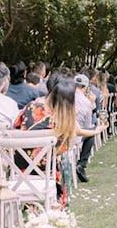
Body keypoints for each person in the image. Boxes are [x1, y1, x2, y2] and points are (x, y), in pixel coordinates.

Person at [15, 74, 103, 206]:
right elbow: (62, 150)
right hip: (45, 170)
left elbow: (16, 126)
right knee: (57, 160)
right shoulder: (61, 121)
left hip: (18, 167)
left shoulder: (31, 106)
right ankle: (58, 201)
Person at [74, 74, 97, 183]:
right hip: (74, 136)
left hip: (58, 134)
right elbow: (88, 126)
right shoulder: (86, 102)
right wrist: (92, 103)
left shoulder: (64, 97)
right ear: (85, 87)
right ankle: (82, 164)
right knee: (91, 134)